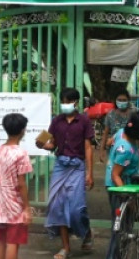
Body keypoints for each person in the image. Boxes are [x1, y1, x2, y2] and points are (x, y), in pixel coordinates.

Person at [37, 87, 94, 259]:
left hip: (77, 166)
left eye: (68, 102)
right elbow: (50, 143)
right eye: (63, 101)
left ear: (76, 102)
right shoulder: (56, 121)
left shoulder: (84, 121)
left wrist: (89, 173)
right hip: (61, 165)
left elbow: (88, 148)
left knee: (77, 208)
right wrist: (40, 145)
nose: (65, 105)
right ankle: (66, 248)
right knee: (57, 206)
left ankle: (86, 233)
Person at [104, 111, 139, 259]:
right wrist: (127, 197)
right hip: (119, 186)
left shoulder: (121, 133)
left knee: (123, 227)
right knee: (120, 229)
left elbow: (109, 142)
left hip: (122, 183)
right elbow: (116, 175)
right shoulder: (126, 150)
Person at [0, 112, 33, 259]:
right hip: (14, 204)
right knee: (13, 242)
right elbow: (21, 184)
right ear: (22, 130)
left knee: (1, 240)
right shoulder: (21, 154)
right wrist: (27, 208)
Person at [98, 89, 134, 163]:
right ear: (115, 100)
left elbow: (137, 133)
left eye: (124, 100)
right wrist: (101, 150)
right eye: (119, 100)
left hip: (130, 149)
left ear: (128, 100)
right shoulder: (110, 114)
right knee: (114, 171)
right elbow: (105, 134)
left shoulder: (133, 115)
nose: (122, 102)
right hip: (113, 149)